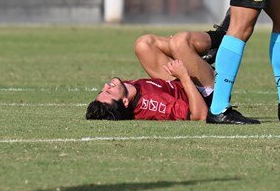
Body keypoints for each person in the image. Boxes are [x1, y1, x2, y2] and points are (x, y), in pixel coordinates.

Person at [85, 17, 230, 121]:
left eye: (102, 90)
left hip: (178, 83)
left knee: (143, 45)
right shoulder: (154, 105)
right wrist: (185, 76)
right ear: (125, 102)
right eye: (108, 91)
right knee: (179, 42)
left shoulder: (125, 90)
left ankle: (197, 55)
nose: (105, 86)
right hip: (205, 93)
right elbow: (200, 115)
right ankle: (224, 35)